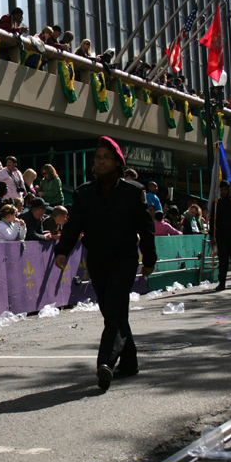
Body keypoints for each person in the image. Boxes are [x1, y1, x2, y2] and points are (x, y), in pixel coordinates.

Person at [55, 137, 156, 390]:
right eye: (98, 157)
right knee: (112, 312)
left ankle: (106, 363)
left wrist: (149, 259)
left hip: (124, 258)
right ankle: (129, 362)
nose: (100, 161)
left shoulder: (134, 191)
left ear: (118, 163)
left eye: (106, 158)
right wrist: (62, 250)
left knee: (114, 310)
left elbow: (146, 227)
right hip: (97, 259)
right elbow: (73, 225)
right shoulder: (83, 192)